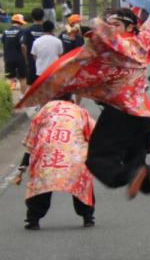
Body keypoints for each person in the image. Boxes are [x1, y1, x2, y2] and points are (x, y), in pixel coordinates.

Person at [16, 1, 150, 209]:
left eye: (116, 23)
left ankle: (133, 175)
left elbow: (97, 45)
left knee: (97, 161)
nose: (112, 27)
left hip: (118, 115)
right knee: (136, 163)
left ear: (130, 27)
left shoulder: (114, 47)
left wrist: (86, 30)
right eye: (110, 24)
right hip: (142, 118)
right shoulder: (143, 42)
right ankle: (144, 174)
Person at [12, 95, 96, 229]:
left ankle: (32, 219)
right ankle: (87, 217)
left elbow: (31, 141)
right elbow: (94, 134)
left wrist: (24, 164)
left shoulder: (45, 110)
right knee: (82, 182)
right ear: (72, 99)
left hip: (46, 156)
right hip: (74, 157)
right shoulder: (80, 111)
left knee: (41, 185)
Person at [19, 7, 46, 85]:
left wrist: (26, 59)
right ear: (43, 16)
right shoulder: (47, 30)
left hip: (32, 62)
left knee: (31, 86)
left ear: (32, 17)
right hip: (45, 62)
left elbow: (23, 46)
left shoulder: (27, 30)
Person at [1, 14, 26, 90]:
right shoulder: (22, 31)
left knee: (10, 78)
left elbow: (3, 42)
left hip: (8, 58)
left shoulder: (5, 31)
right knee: (22, 78)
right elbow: (23, 45)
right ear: (20, 22)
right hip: (20, 58)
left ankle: (10, 94)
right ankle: (22, 96)